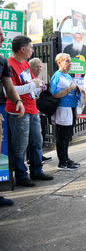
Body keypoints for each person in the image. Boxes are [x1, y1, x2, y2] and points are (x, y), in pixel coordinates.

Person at [6, 35, 54, 187]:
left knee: (37, 141)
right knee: (20, 144)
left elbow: (33, 83)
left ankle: (36, 171)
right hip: (18, 110)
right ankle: (20, 175)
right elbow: (10, 90)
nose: (32, 50)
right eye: (31, 47)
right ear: (22, 49)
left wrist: (38, 86)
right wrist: (33, 85)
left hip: (32, 108)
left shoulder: (25, 64)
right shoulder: (9, 64)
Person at [0, 26, 25, 206]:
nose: (3, 37)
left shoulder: (2, 61)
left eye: (2, 34)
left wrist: (18, 101)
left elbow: (9, 86)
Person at [50, 53, 81, 170]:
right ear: (59, 63)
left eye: (70, 61)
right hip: (63, 108)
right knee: (62, 136)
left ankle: (66, 159)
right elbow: (55, 94)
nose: (70, 63)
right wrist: (70, 88)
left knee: (67, 136)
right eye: (67, 61)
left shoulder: (68, 76)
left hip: (71, 107)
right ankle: (62, 162)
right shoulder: (57, 76)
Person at [28, 57, 52, 162]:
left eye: (40, 67)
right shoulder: (29, 79)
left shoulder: (40, 79)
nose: (39, 69)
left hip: (42, 111)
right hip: (33, 110)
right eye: (36, 67)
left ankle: (39, 155)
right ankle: (31, 158)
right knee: (33, 136)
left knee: (41, 134)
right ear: (31, 67)